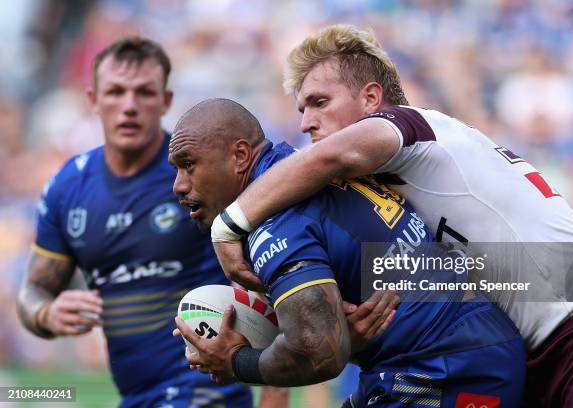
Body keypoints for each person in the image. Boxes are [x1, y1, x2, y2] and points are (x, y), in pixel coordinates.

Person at [208, 25, 573, 407]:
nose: (305, 122)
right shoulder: (395, 191)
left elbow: (330, 156)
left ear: (370, 98)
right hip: (540, 349)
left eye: (319, 102)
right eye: (301, 108)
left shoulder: (411, 125)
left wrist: (229, 225)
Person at [169, 98, 526, 407]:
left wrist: (234, 361)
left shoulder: (274, 224)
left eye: (189, 164)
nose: (179, 185)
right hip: (461, 350)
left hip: (443, 369)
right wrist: (341, 339)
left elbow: (319, 355)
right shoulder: (299, 174)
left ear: (240, 155)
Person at [16, 37, 285, 408]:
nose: (129, 106)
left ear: (166, 101)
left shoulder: (204, 173)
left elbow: (269, 275)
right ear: (93, 100)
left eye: (144, 92)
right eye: (116, 92)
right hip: (133, 395)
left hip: (206, 390)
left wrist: (276, 392)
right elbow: (33, 292)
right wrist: (45, 314)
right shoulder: (68, 188)